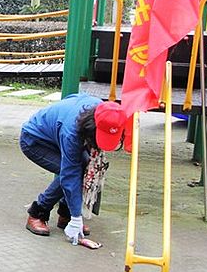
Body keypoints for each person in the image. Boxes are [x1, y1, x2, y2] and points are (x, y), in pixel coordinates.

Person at [19, 94, 127, 244]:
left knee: (84, 166)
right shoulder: (72, 131)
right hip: (34, 141)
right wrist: (77, 218)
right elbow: (70, 175)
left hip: (57, 135)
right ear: (92, 127)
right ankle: (38, 212)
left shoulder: (106, 111)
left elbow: (72, 97)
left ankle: (66, 214)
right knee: (73, 172)